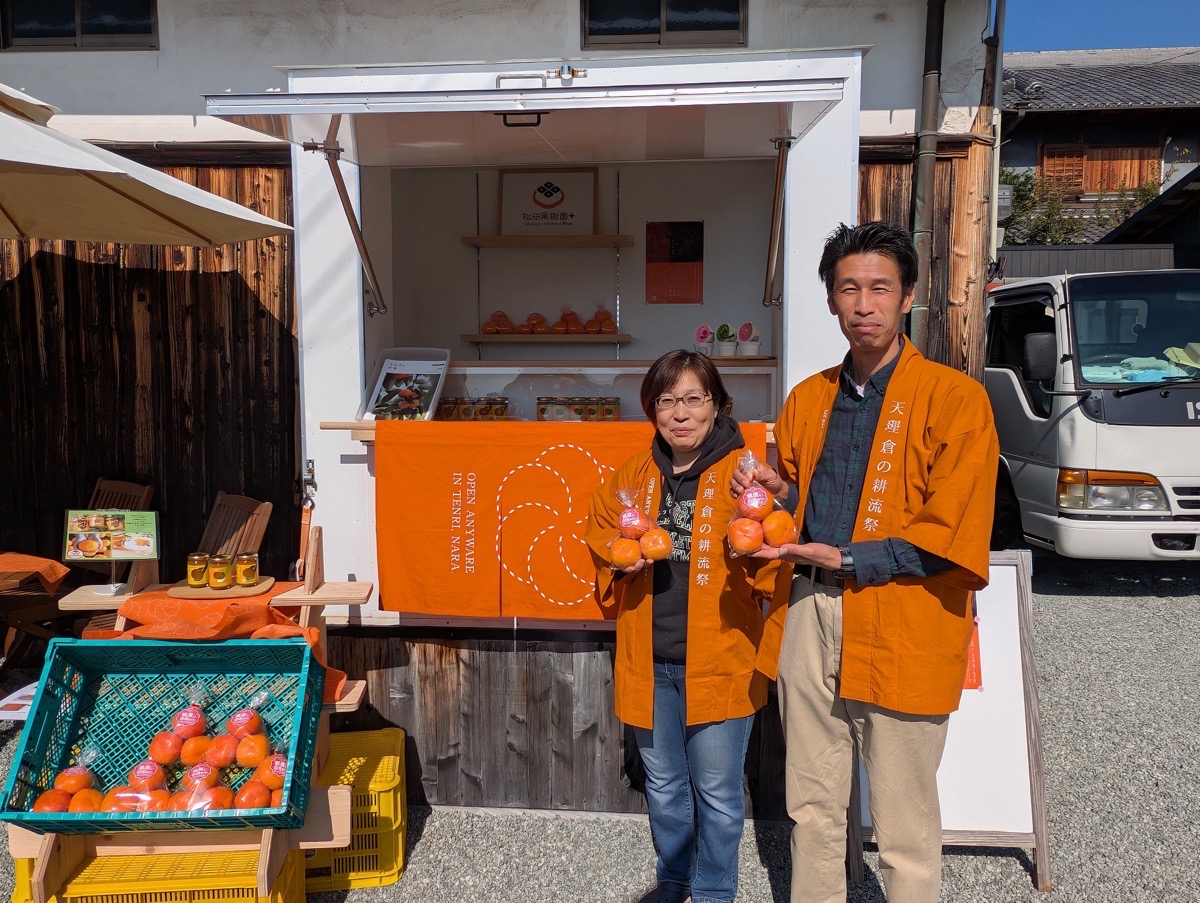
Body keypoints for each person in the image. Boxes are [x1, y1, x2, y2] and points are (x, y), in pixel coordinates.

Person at [733, 222, 999, 902]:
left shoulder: (956, 399)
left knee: (906, 822)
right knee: (812, 802)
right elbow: (793, 488)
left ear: (908, 296)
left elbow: (954, 530)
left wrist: (848, 553)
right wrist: (765, 489)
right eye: (848, 287)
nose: (864, 303)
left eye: (880, 287)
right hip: (808, 609)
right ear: (830, 300)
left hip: (904, 609)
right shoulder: (809, 397)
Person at [585, 350, 784, 903]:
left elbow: (776, 554)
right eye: (666, 400)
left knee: (719, 794)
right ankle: (673, 885)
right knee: (666, 788)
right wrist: (617, 559)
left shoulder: (742, 475)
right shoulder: (635, 474)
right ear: (652, 410)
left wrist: (761, 551)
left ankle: (716, 892)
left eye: (694, 398)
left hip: (719, 661)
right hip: (650, 663)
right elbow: (599, 529)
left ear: (717, 406)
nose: (680, 413)